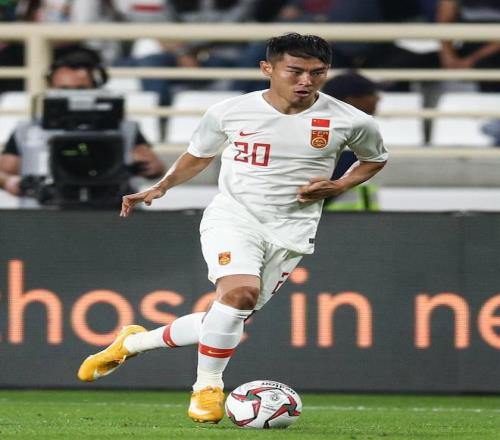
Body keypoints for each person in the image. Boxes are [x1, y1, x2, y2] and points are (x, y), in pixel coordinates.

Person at [77, 33, 388, 423]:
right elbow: (198, 155)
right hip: (234, 217)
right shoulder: (230, 112)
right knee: (240, 294)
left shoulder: (351, 120)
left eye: (317, 73)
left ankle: (133, 342)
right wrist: (161, 186)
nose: (306, 81)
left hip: (292, 230)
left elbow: (374, 158)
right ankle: (206, 389)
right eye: (295, 71)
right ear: (267, 68)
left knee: (227, 315)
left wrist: (340, 184)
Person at [0, 49, 165, 204]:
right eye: (64, 89)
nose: (72, 96)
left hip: (107, 208)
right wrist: (10, 182)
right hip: (46, 210)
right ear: (51, 89)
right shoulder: (29, 130)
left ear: (96, 88)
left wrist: (151, 167)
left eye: (81, 89)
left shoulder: (123, 129)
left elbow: (153, 167)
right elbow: (5, 171)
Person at [321, 71, 382, 210]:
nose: (378, 98)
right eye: (371, 93)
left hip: (357, 220)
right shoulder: (339, 141)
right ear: (350, 100)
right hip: (335, 220)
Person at [437, 0, 500, 92]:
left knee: (485, 66)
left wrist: (471, 60)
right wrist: (448, 57)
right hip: (466, 50)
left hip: (493, 54)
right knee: (417, 61)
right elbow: (444, 21)